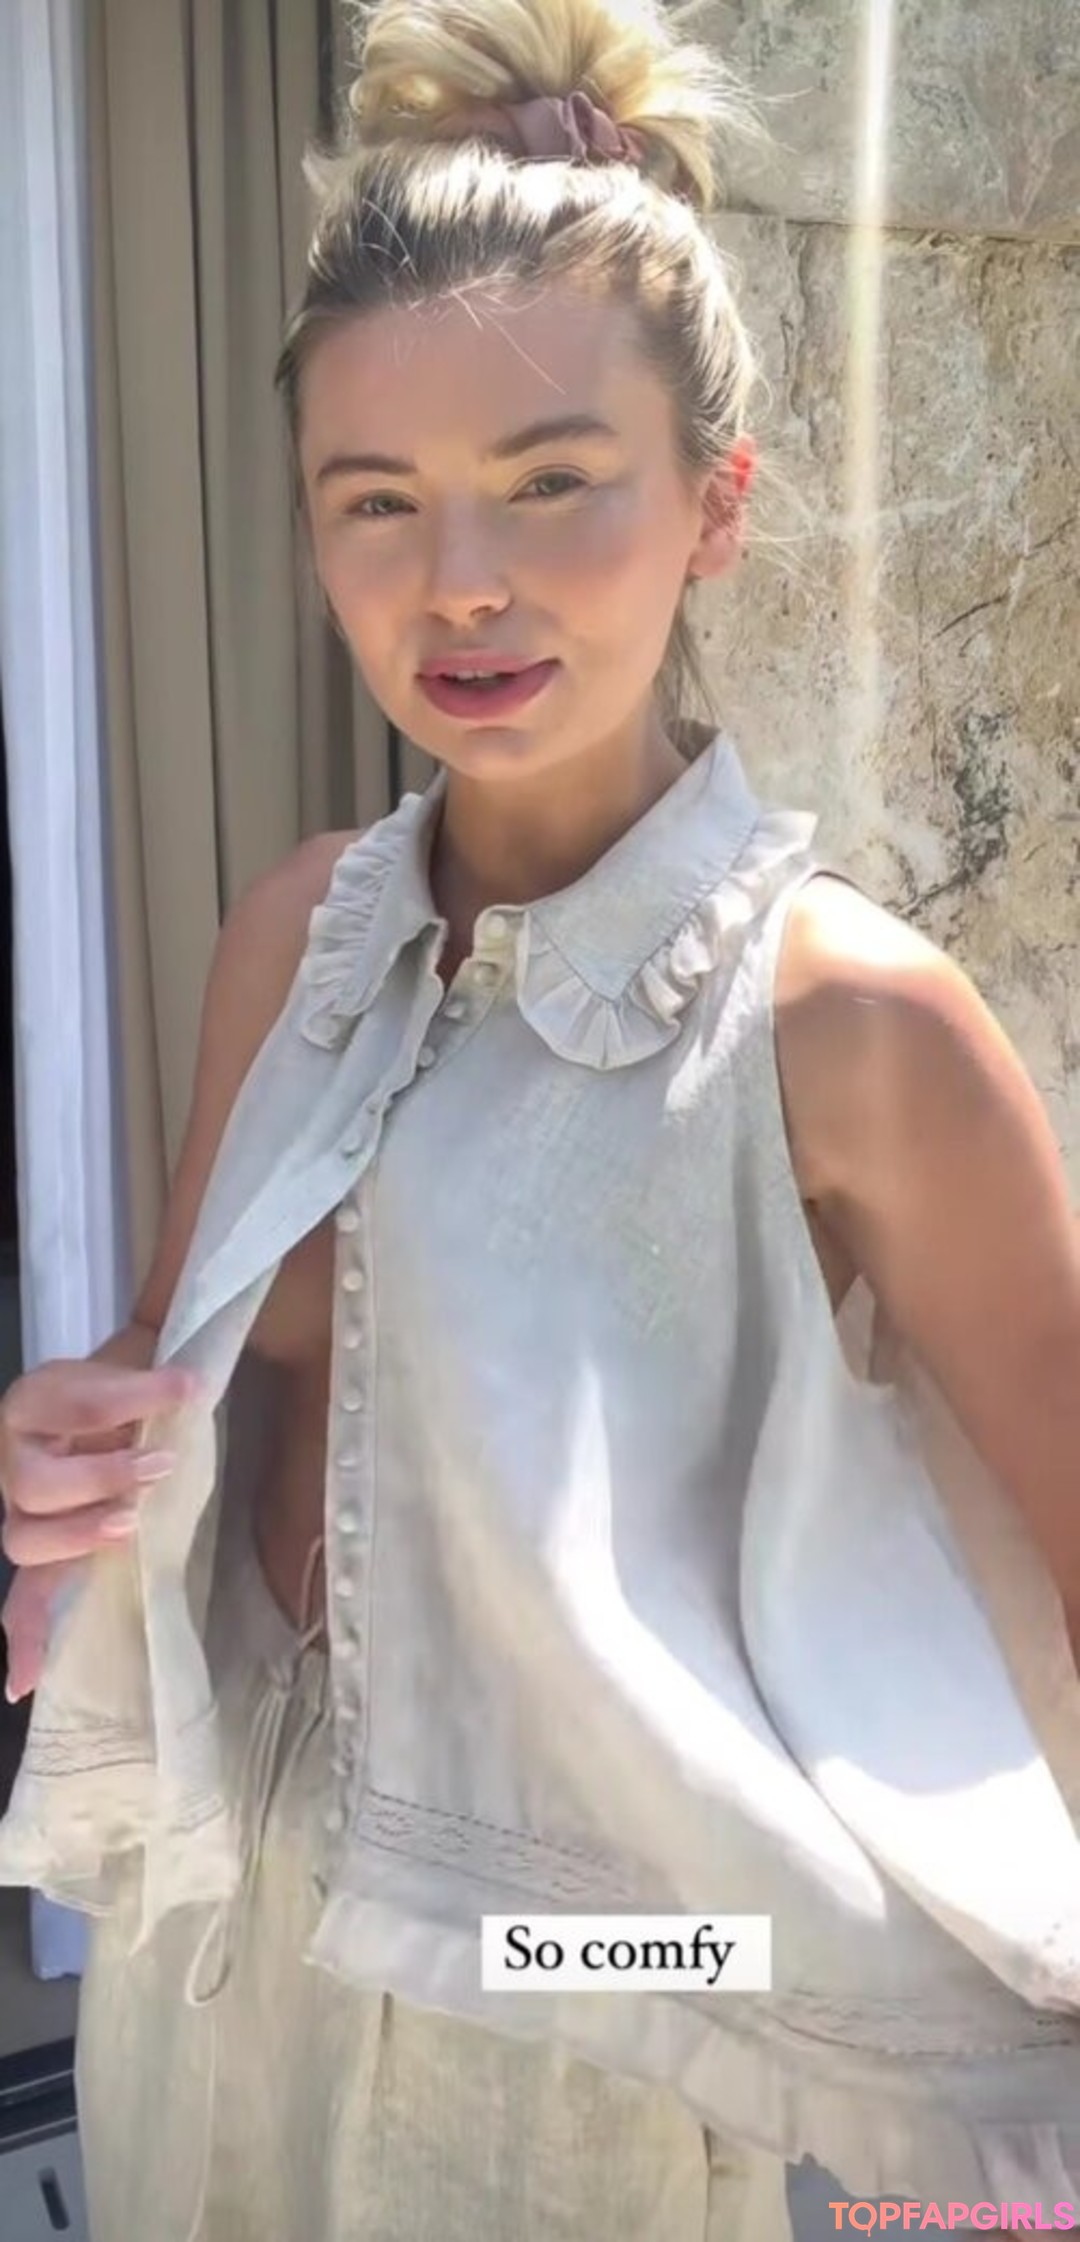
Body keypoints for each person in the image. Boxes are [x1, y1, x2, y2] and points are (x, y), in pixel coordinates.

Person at [2, 1, 1080, 2236]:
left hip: (579, 2034)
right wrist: (71, 1451)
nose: (459, 579)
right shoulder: (298, 936)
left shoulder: (845, 1019)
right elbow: (194, 1381)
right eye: (375, 503)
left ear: (716, 505)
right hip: (220, 1961)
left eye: (553, 479)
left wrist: (702, 1991)